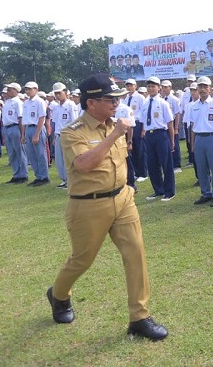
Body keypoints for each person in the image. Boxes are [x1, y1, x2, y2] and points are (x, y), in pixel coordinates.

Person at [47, 73, 167, 340]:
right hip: (88, 206)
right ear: (91, 103)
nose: (116, 103)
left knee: (135, 253)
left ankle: (140, 317)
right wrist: (114, 134)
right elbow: (84, 164)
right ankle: (58, 294)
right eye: (109, 99)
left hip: (122, 200)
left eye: (117, 99)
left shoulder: (116, 125)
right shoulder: (72, 133)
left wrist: (129, 185)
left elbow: (123, 160)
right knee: (82, 260)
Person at [189, 76, 213, 207]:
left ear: (210, 89)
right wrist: (192, 143)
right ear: (197, 89)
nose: (203, 89)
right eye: (200, 87)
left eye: (205, 87)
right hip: (199, 138)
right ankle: (206, 193)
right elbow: (193, 126)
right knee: (201, 168)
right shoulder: (193, 106)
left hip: (212, 137)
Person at [140, 76, 176, 202]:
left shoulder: (163, 103)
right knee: (152, 164)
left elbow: (170, 123)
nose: (150, 88)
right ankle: (158, 189)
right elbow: (143, 121)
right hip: (149, 135)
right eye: (149, 86)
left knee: (166, 164)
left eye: (153, 86)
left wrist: (171, 140)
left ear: (159, 88)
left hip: (161, 134)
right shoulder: (145, 103)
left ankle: (169, 191)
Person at [22, 82, 50, 186]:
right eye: (26, 89)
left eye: (30, 89)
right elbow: (24, 120)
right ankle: (38, 176)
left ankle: (44, 176)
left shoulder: (40, 102)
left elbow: (42, 118)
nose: (28, 91)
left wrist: (37, 134)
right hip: (29, 128)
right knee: (31, 154)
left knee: (40, 154)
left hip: (37, 128)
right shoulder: (26, 103)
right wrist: (23, 134)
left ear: (36, 90)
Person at [52, 82, 79, 188]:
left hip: (68, 135)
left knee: (68, 159)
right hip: (58, 135)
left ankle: (71, 180)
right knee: (59, 160)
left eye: (59, 93)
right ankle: (64, 179)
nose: (57, 95)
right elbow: (56, 123)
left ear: (65, 92)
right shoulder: (57, 107)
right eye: (56, 93)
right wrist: (55, 136)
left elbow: (75, 122)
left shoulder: (71, 105)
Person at [1, 83, 29, 183]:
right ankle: (16, 174)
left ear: (16, 91)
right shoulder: (7, 102)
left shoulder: (18, 102)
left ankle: (23, 175)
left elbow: (20, 118)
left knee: (19, 152)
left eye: (10, 89)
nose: (7, 91)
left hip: (15, 127)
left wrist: (22, 134)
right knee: (11, 153)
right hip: (7, 128)